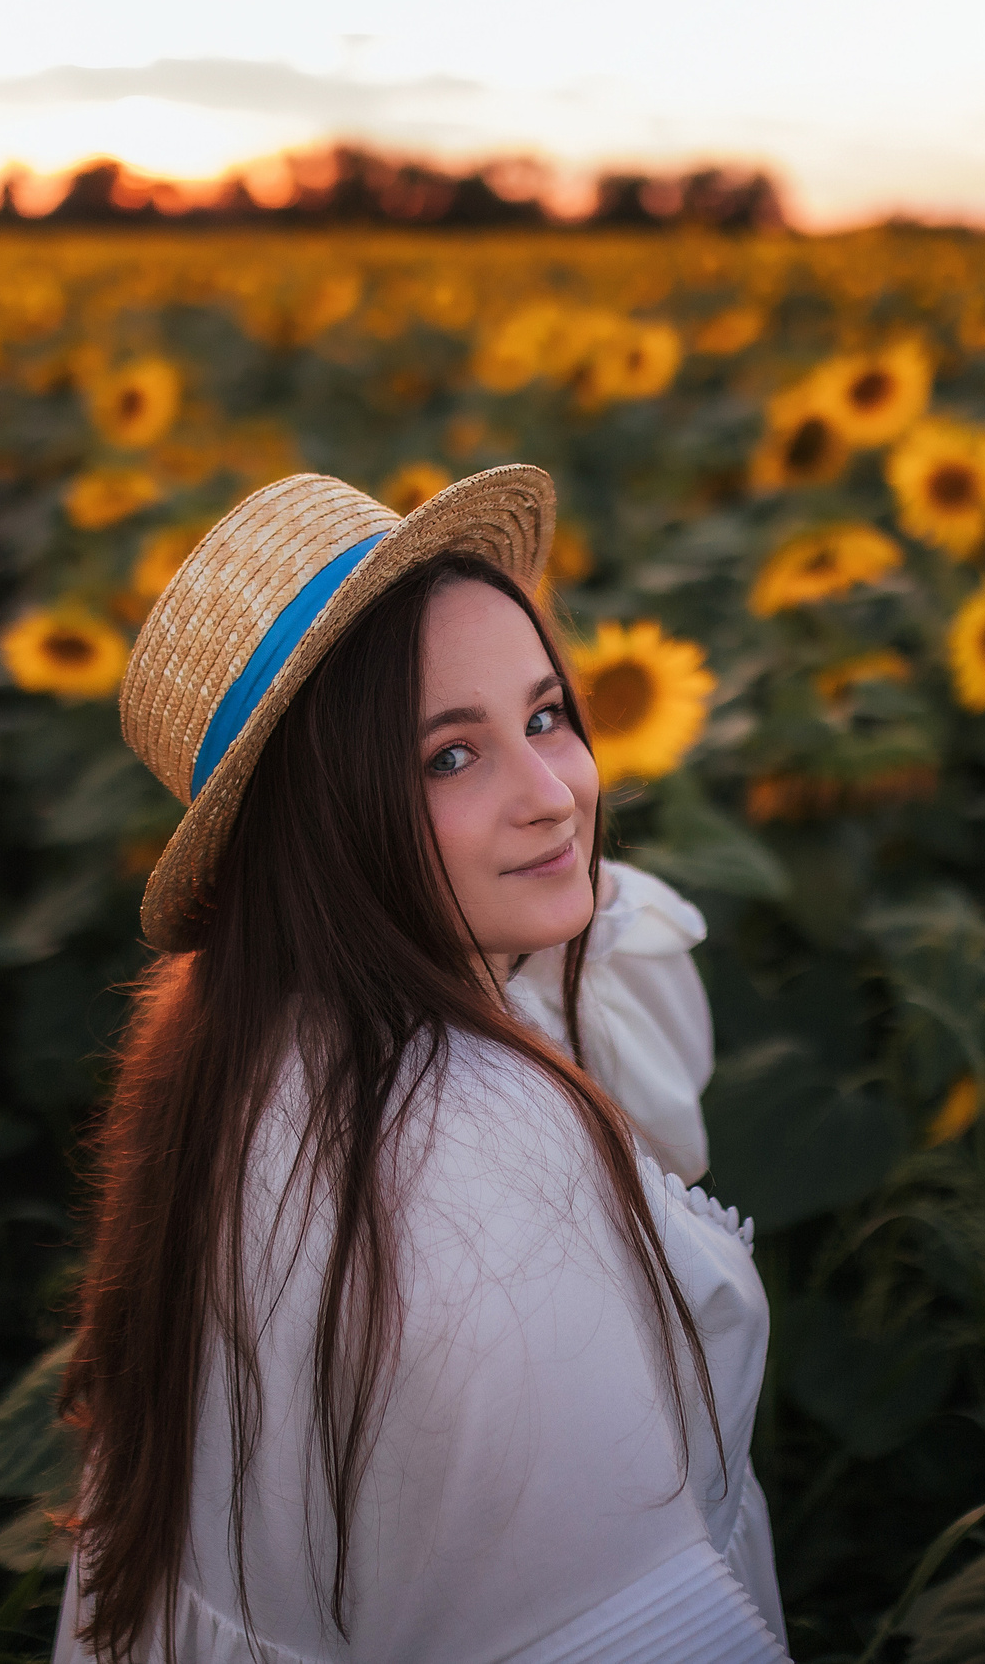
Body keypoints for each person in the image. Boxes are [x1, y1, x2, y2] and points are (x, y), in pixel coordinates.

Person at [54, 467, 787, 1663]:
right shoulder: (483, 1168)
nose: (554, 797)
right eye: (451, 757)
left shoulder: (241, 1055)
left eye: (546, 717)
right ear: (321, 826)